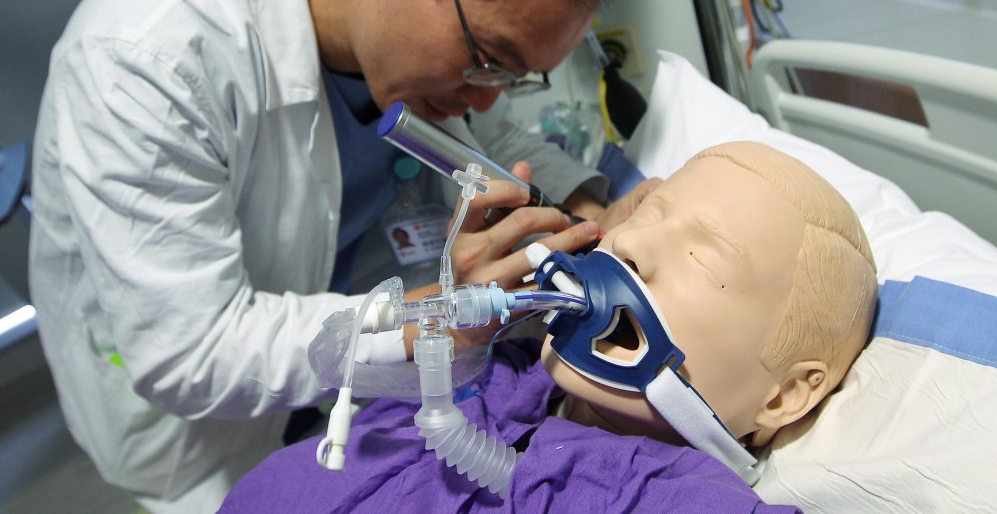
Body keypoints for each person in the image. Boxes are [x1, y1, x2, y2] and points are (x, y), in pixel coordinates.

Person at [27, 0, 633, 512]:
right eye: (488, 58)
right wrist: (443, 320)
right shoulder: (145, 55)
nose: (487, 96)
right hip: (214, 435)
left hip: (367, 392)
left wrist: (600, 209)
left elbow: (488, 139)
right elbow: (192, 348)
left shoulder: (406, 43)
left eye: (513, 77)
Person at [218, 141, 879, 513]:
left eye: (703, 257)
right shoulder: (498, 369)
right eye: (648, 216)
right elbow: (338, 358)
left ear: (787, 396)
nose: (631, 248)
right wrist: (457, 329)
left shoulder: (676, 500)